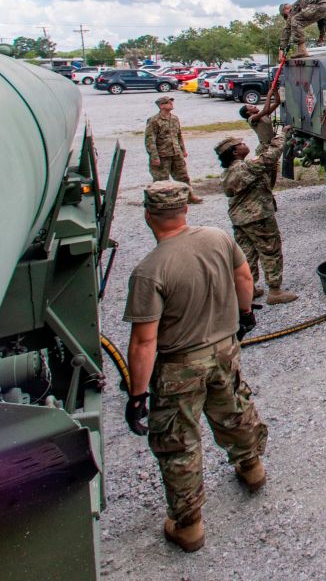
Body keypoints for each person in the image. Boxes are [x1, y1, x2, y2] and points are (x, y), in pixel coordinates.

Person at [122, 181, 267, 553]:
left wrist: (137, 395)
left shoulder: (149, 271)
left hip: (179, 366)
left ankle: (189, 527)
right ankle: (251, 468)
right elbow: (245, 277)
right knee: (234, 410)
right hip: (224, 351)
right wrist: (245, 313)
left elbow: (144, 342)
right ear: (185, 209)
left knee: (179, 443)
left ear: (148, 216)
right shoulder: (218, 238)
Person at [216, 130, 298, 305]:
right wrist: (283, 134)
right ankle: (275, 291)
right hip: (258, 217)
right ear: (234, 152)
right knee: (270, 251)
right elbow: (271, 156)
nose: (245, 145)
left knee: (247, 254)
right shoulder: (245, 167)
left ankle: (248, 290)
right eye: (241, 144)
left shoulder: (229, 171)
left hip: (240, 219)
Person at [145, 95, 202, 203]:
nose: (171, 104)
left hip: (176, 153)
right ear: (161, 106)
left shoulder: (174, 118)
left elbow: (178, 135)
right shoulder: (154, 120)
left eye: (171, 102)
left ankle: (189, 196)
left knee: (183, 176)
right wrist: (154, 156)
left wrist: (183, 150)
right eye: (168, 102)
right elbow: (150, 139)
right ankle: (159, 200)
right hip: (162, 154)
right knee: (161, 180)